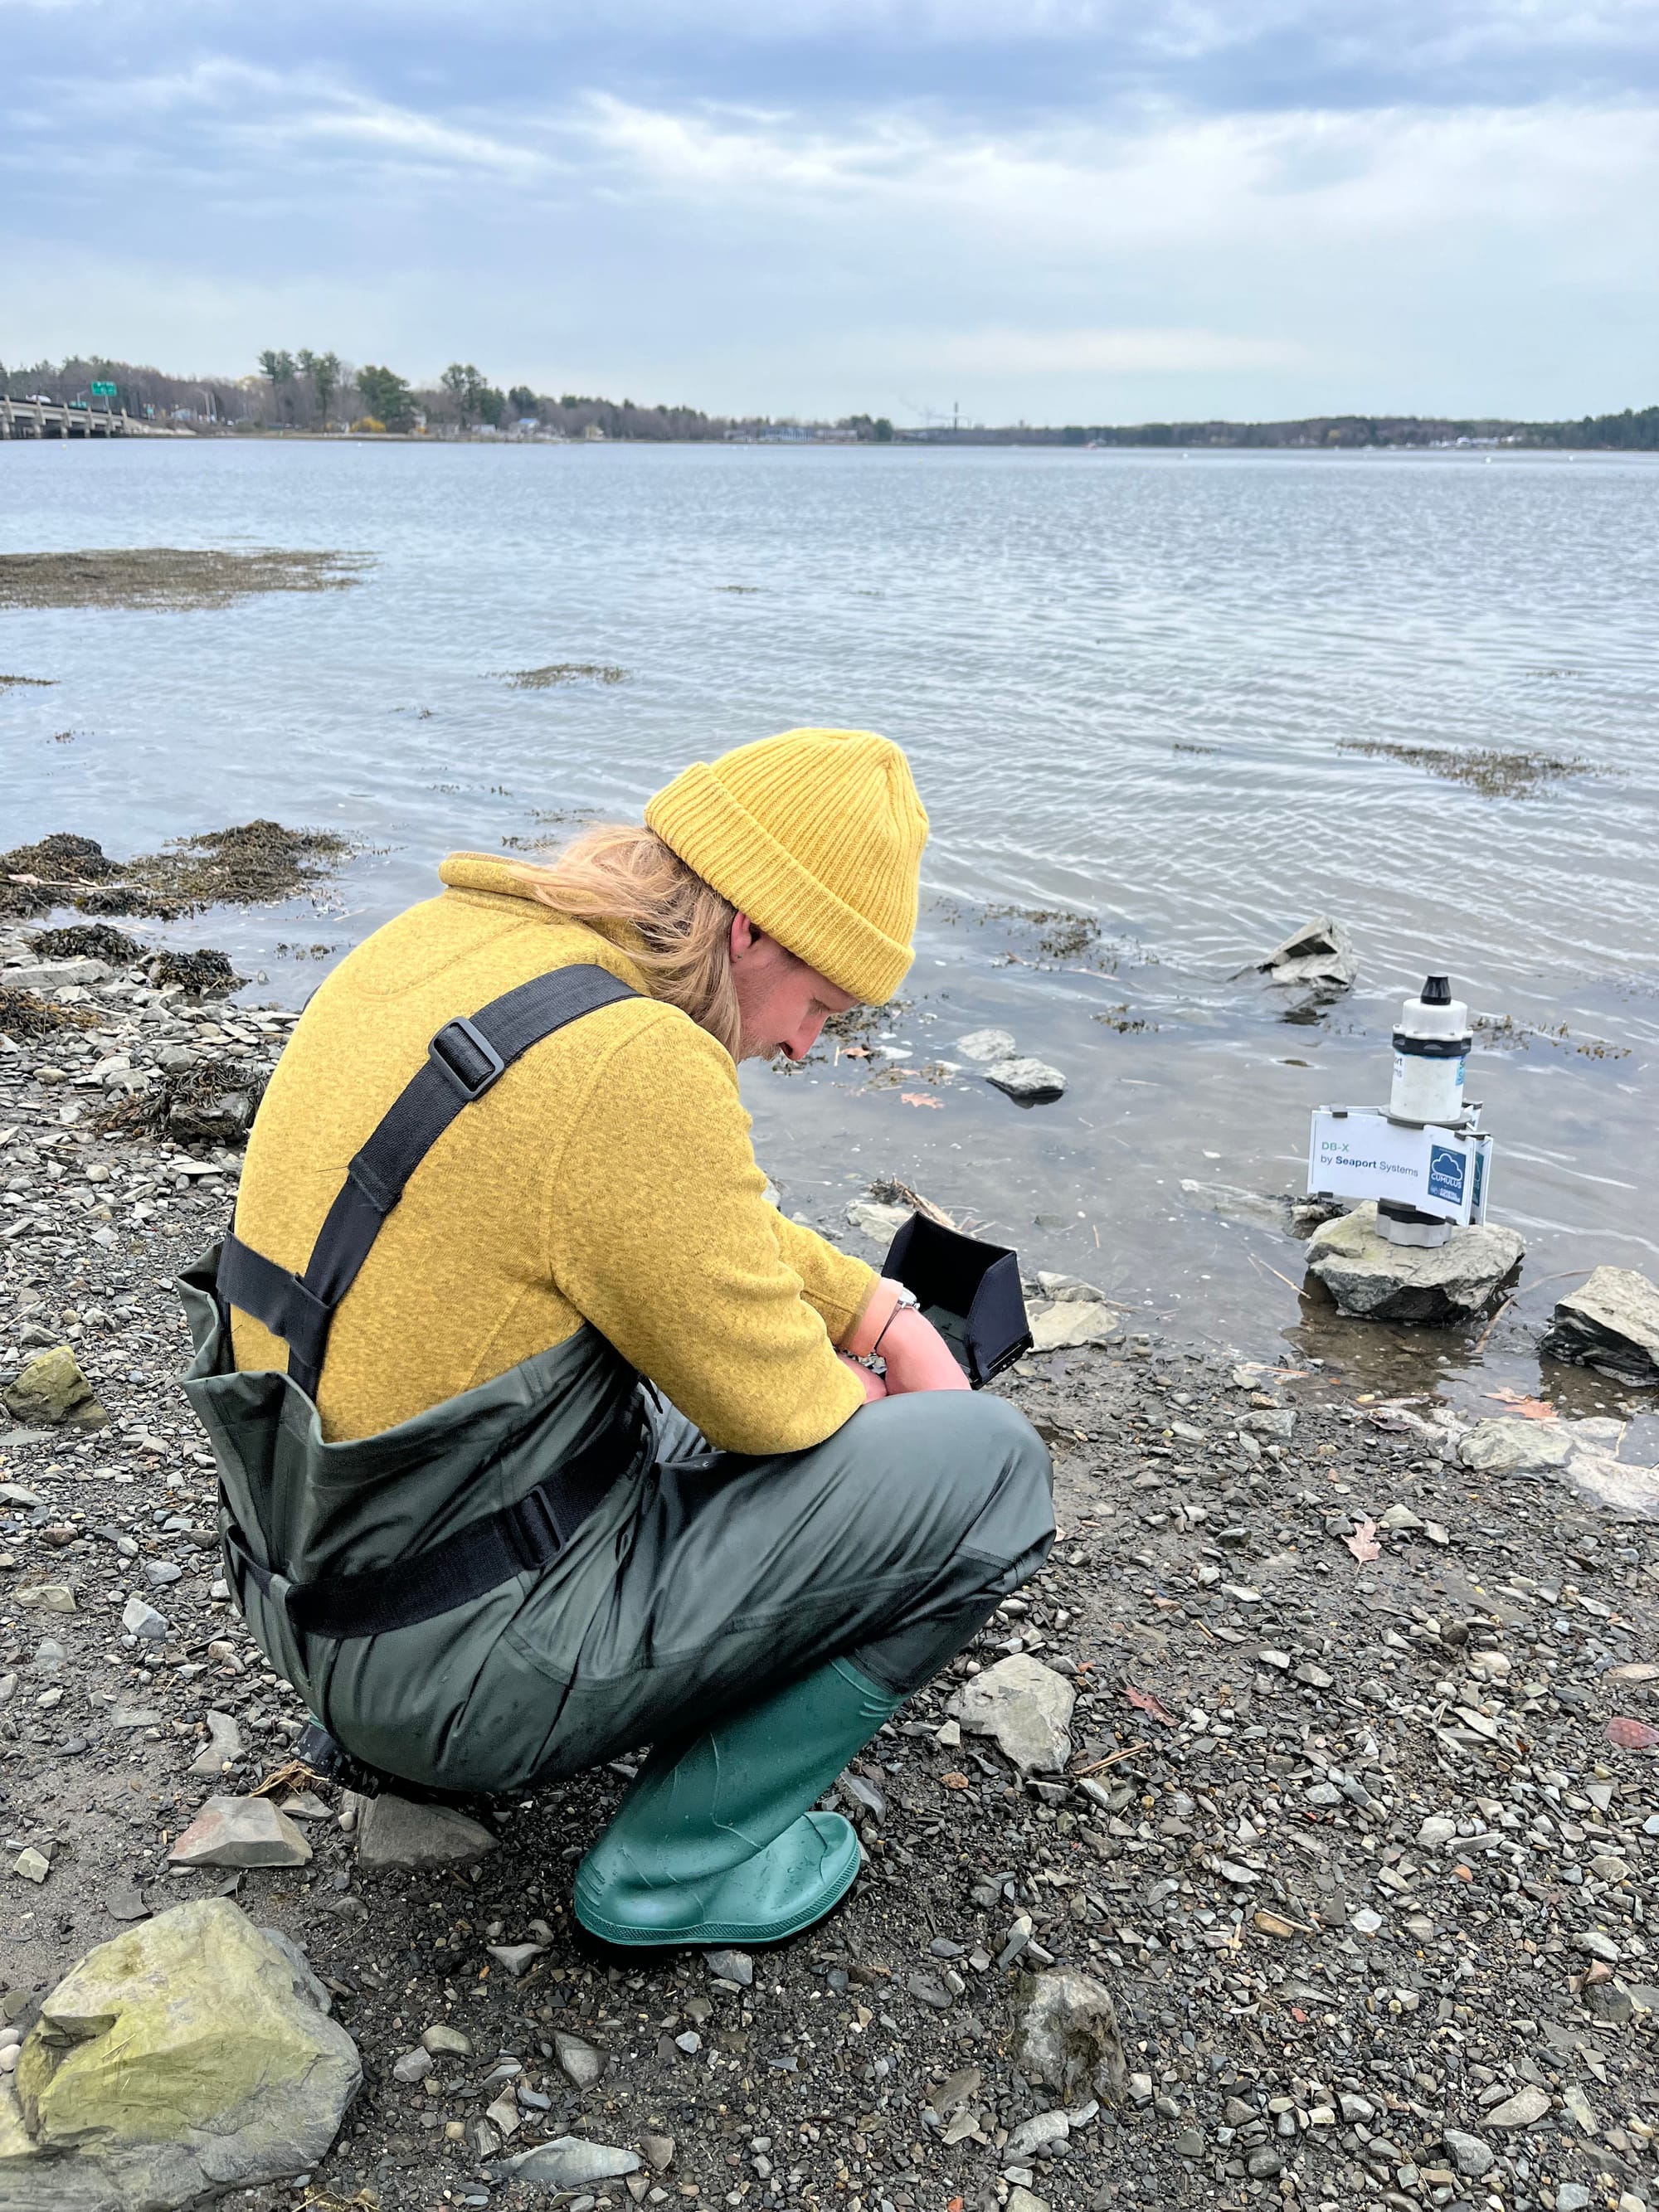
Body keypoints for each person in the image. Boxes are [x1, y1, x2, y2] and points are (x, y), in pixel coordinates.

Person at [178, 727, 1053, 1949]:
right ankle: (677, 1874)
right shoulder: (632, 1067)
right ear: (749, 928)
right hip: (440, 1679)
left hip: (308, 1597)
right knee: (994, 1474)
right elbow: (781, 1408)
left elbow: (681, 1221)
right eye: (822, 1003)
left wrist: (877, 1306)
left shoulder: (449, 944)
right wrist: (910, 1424)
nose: (806, 1045)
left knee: (700, 1359)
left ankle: (418, 1722)